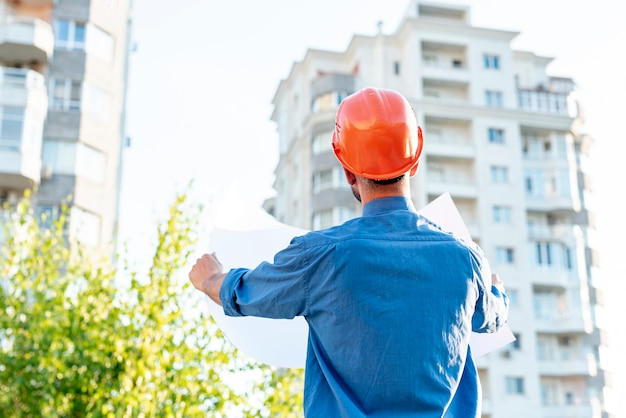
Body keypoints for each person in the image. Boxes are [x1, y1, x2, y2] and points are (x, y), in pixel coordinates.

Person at [189, 87, 509, 417]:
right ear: (414, 160)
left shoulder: (318, 257)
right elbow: (492, 316)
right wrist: (494, 287)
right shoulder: (465, 260)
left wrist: (211, 278)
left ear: (346, 170)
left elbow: (245, 293)